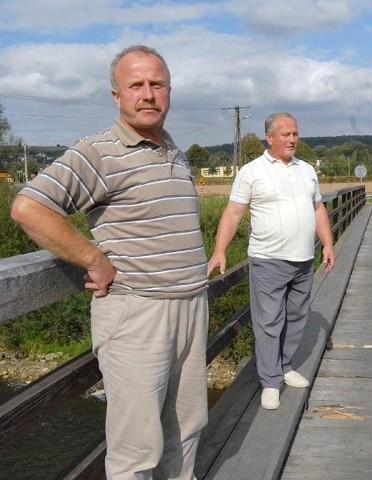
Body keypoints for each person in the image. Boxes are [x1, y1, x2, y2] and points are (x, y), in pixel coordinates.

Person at [11, 45, 209, 480]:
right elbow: (29, 208)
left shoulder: (173, 149)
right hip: (138, 315)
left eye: (156, 84)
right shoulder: (98, 151)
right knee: (136, 449)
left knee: (187, 430)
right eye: (135, 85)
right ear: (116, 96)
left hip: (191, 309)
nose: (147, 94)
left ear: (169, 91)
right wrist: (92, 257)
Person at [207, 112, 335, 410]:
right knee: (269, 322)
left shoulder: (306, 171)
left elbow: (318, 209)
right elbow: (234, 212)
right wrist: (219, 249)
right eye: (286, 134)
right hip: (268, 260)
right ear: (270, 138)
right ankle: (270, 381)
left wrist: (327, 243)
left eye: (295, 134)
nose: (292, 139)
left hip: (304, 259)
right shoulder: (251, 172)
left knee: (296, 317)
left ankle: (285, 365)